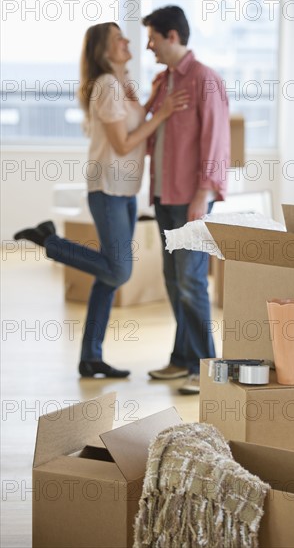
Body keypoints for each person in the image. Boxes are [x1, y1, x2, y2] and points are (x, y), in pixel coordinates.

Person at [14, 22, 188, 379]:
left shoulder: (122, 85)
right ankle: (50, 241)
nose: (127, 42)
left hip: (124, 191)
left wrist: (157, 103)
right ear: (104, 51)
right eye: (118, 39)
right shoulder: (108, 86)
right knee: (120, 270)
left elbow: (137, 133)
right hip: (106, 188)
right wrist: (164, 113)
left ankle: (90, 357)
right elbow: (124, 144)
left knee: (108, 277)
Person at [142, 6, 230, 394]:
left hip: (190, 197)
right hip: (164, 193)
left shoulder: (204, 79)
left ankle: (206, 368)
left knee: (191, 281)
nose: (149, 47)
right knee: (173, 278)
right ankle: (182, 360)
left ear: (172, 36)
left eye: (153, 38)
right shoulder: (164, 81)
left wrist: (204, 192)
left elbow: (216, 140)